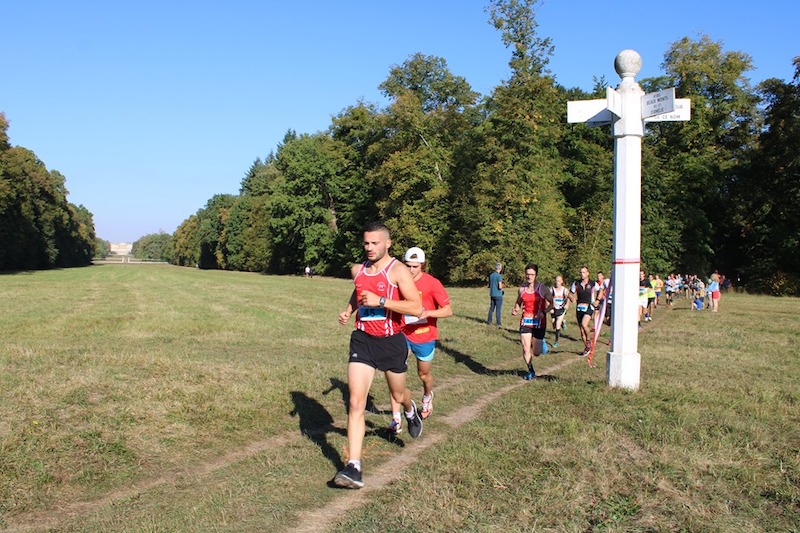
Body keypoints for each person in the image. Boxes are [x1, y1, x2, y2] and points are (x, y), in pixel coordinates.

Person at [334, 222, 424, 489]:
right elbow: (359, 290)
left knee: (398, 394)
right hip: (362, 339)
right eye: (366, 243)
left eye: (375, 243)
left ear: (387, 243)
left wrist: (381, 301)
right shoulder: (357, 270)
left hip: (391, 342)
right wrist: (349, 310)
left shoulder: (397, 270)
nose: (369, 248)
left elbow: (416, 307)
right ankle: (354, 467)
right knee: (355, 403)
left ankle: (410, 410)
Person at [388, 247, 452, 433]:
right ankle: (396, 419)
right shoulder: (399, 281)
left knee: (423, 374)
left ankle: (426, 397)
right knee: (395, 372)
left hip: (425, 336)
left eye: (415, 266)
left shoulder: (432, 283)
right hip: (402, 334)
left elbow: (448, 310)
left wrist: (427, 313)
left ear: (422, 265)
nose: (410, 270)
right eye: (407, 265)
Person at [511, 263, 554, 379]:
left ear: (536, 275)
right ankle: (531, 370)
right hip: (526, 321)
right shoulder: (522, 289)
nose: (529, 277)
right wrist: (516, 309)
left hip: (540, 322)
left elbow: (552, 303)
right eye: (528, 274)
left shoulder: (542, 289)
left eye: (532, 275)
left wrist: (543, 312)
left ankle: (541, 343)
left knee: (536, 352)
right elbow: (518, 302)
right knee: (525, 348)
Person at [569, 266, 594, 356]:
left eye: (584, 272)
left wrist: (598, 300)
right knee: (581, 331)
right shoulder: (576, 283)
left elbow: (601, 290)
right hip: (579, 308)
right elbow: (570, 293)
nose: (582, 274)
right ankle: (587, 348)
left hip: (589, 307)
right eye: (581, 272)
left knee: (584, 324)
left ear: (587, 273)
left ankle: (588, 340)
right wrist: (571, 298)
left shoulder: (592, 283)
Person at [550, 275, 569, 348]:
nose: (557, 282)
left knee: (558, 324)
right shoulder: (552, 289)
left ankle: (556, 342)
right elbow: (547, 299)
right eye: (556, 280)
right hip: (554, 309)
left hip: (561, 309)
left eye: (558, 281)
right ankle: (563, 321)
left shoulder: (565, 290)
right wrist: (550, 308)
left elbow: (568, 298)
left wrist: (567, 305)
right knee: (554, 325)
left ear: (562, 281)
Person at [487, 262, 504, 327]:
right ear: (500, 268)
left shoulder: (491, 275)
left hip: (492, 294)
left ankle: (489, 321)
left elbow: (490, 285)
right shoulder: (499, 276)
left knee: (491, 308)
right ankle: (498, 323)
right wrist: (502, 286)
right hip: (498, 295)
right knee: (498, 309)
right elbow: (500, 286)